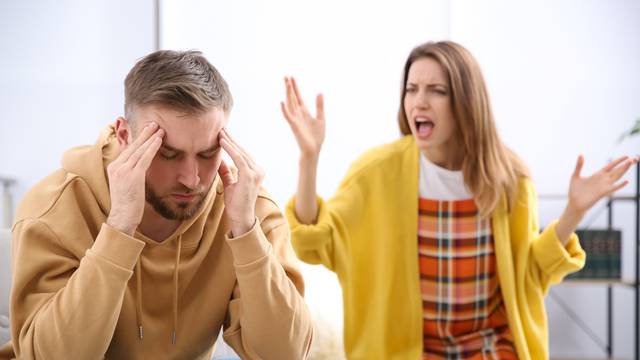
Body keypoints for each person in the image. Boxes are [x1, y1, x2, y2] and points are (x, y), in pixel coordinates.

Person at [280, 41, 638, 359]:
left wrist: (575, 211)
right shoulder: (374, 173)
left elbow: (531, 274)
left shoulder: (509, 176)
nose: (419, 101)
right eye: (411, 89)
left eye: (437, 90)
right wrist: (309, 159)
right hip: (409, 350)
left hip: (492, 345)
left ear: (467, 101)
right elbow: (315, 244)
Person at [0, 50, 313, 359]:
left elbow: (285, 354)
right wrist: (119, 228)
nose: (192, 179)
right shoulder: (54, 207)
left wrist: (246, 232)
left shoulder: (248, 210)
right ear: (125, 135)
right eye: (167, 154)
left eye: (207, 154)